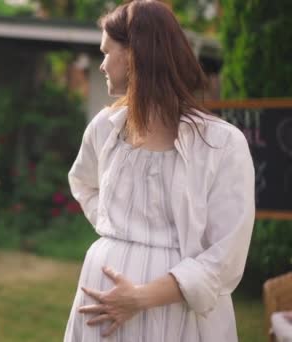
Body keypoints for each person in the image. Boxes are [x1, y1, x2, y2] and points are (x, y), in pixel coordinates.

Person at [64, 1, 255, 341]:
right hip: (102, 307)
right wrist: (116, 233)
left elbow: (226, 256)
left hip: (179, 315)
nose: (103, 65)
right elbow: (83, 183)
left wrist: (139, 296)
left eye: (108, 53)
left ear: (136, 55)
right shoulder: (105, 128)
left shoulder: (222, 144)